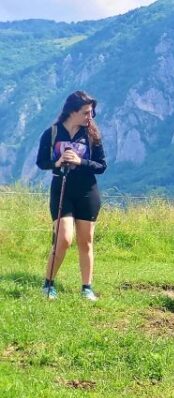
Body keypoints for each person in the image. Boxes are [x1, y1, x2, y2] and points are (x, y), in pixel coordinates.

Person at [35, 91, 107, 301]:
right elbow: (41, 162)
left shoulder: (92, 135)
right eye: (86, 112)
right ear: (72, 111)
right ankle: (48, 285)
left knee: (86, 241)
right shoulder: (52, 133)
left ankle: (87, 288)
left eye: (92, 112)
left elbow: (102, 166)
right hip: (62, 190)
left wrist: (80, 162)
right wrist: (56, 164)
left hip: (87, 192)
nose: (90, 117)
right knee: (64, 239)